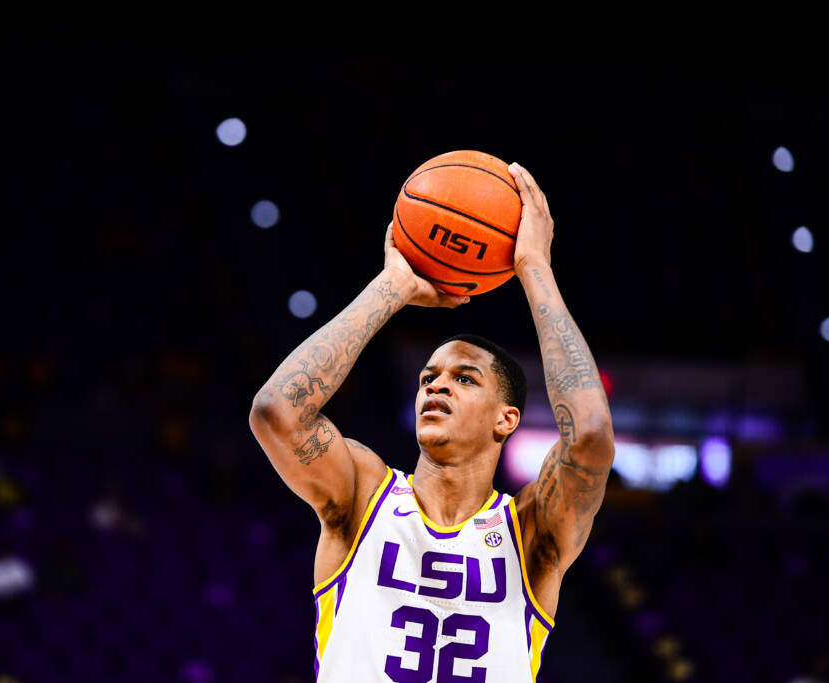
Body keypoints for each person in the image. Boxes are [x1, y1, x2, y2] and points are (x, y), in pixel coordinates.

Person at [249, 162, 615, 682]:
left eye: (464, 379)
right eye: (428, 377)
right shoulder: (362, 495)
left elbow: (592, 437)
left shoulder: (531, 532)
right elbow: (276, 411)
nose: (436, 385)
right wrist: (391, 286)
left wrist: (534, 265)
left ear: (506, 419)